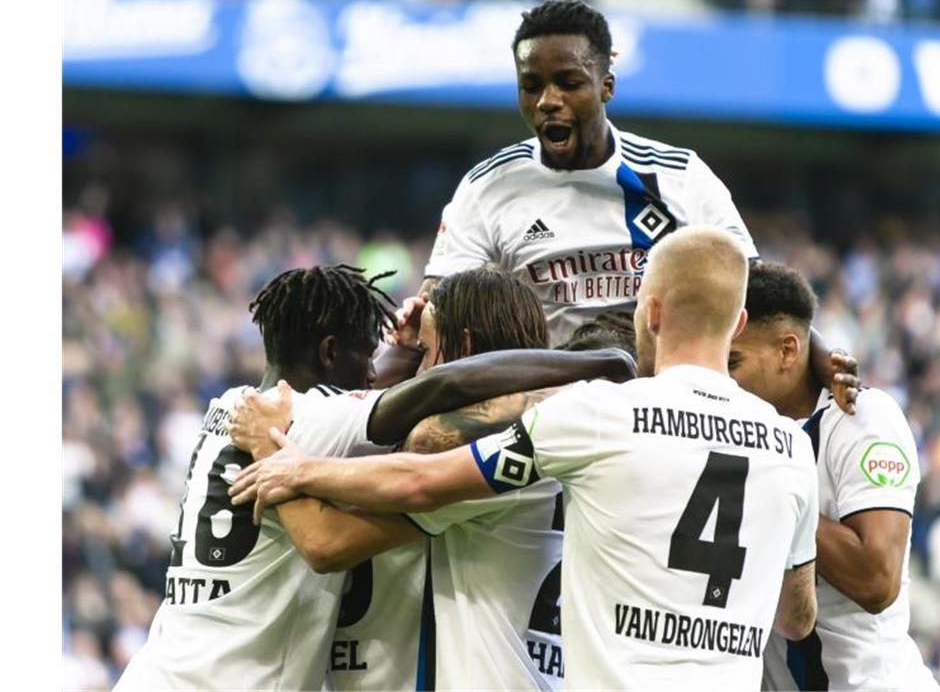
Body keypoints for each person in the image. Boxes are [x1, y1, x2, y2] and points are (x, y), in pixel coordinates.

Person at [229, 227, 820, 689]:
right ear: (738, 321)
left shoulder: (596, 419)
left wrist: (293, 463)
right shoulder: (793, 448)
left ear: (654, 311)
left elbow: (417, 477)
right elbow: (796, 618)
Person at [115, 264, 634, 691]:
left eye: (420, 352)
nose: (387, 367)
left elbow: (328, 536)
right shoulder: (321, 421)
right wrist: (596, 365)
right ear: (329, 354)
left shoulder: (242, 409)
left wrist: (285, 461)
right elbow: (427, 391)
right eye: (372, 354)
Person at [409, 0, 859, 418]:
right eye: (531, 86)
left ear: (606, 86)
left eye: (568, 83)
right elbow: (438, 309)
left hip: (663, 405)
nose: (548, 101)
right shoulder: (487, 186)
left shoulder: (680, 176)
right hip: (542, 404)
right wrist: (418, 318)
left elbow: (753, 288)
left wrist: (819, 352)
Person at [725, 261, 939, 692]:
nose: (723, 378)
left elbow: (878, 580)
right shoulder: (737, 430)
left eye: (734, 361)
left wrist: (778, 491)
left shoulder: (861, 418)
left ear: (788, 351)